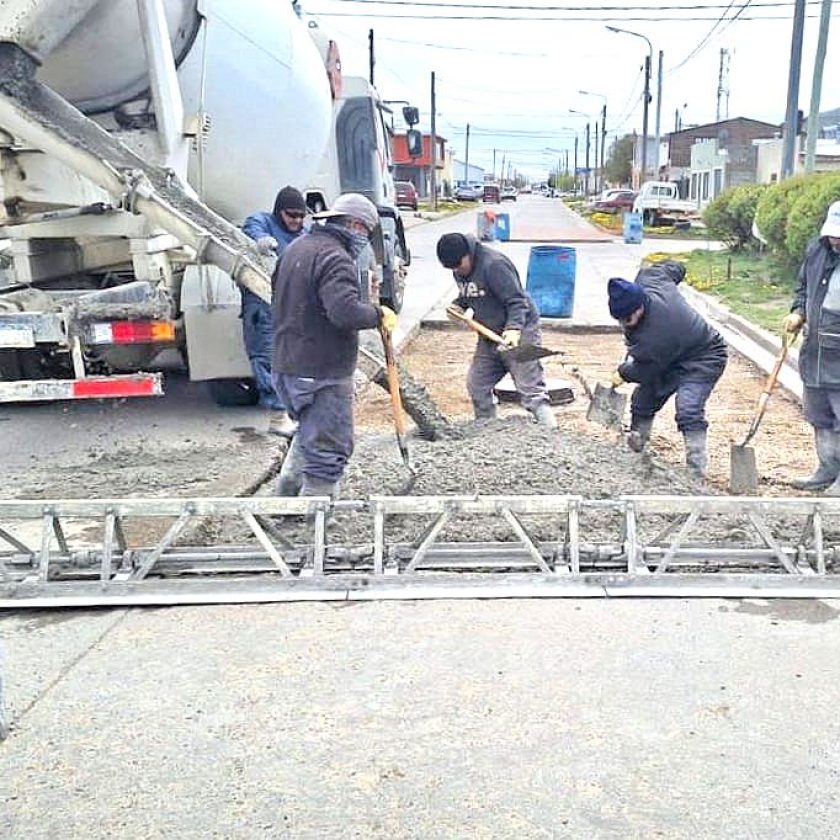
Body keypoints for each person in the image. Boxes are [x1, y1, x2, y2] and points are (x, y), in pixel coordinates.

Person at [271, 192, 397, 498]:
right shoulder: (335, 258)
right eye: (366, 233)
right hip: (320, 371)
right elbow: (344, 312)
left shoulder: (296, 248)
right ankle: (317, 529)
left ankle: (284, 501)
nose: (365, 240)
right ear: (355, 225)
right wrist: (378, 314)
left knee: (309, 434)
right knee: (328, 450)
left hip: (288, 367)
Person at [608, 260, 727, 477]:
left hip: (704, 357)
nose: (625, 325)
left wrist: (624, 372)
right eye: (620, 320)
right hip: (669, 357)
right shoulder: (651, 277)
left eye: (628, 319)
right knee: (642, 401)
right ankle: (636, 453)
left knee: (688, 409)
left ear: (640, 306)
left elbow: (645, 372)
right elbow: (676, 268)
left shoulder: (654, 336)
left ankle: (695, 473)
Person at [435, 232, 557, 429]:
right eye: (452, 268)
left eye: (459, 265)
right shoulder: (459, 267)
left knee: (530, 389)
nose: (457, 270)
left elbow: (518, 301)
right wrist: (458, 306)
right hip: (489, 335)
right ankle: (487, 431)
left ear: (468, 253)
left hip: (519, 332)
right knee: (477, 384)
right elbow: (471, 293)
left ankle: (552, 434)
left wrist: (513, 329)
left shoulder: (494, 265)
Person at [783, 201, 840, 494]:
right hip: (816, 350)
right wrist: (798, 311)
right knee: (819, 415)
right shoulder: (817, 251)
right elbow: (804, 287)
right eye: (833, 234)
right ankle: (827, 469)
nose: (836, 240)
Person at [241, 185, 307, 437]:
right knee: (266, 356)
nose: (297, 221)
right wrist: (259, 240)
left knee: (295, 361)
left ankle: (292, 412)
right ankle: (278, 417)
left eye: (301, 216)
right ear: (279, 212)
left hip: (291, 307)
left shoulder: (305, 234)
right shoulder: (263, 222)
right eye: (292, 215)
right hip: (262, 304)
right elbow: (251, 227)